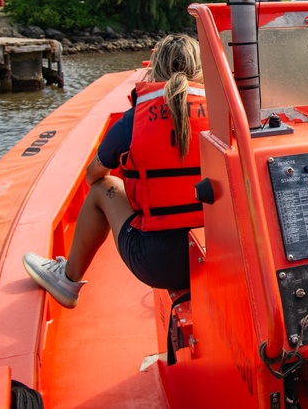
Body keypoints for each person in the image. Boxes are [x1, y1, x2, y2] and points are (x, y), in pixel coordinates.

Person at [23, 34, 209, 308]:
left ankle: (68, 278)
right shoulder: (225, 116)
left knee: (102, 188)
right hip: (219, 256)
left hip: (156, 263)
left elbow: (93, 176)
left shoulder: (133, 121)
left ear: (155, 69)